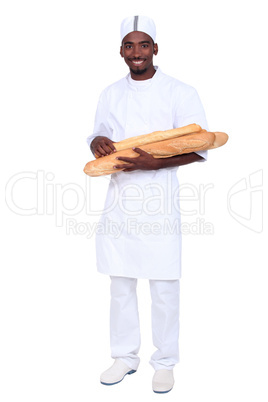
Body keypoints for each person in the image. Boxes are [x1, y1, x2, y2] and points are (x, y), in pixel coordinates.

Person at [87, 15, 208, 394]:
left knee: (164, 287)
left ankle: (165, 362)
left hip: (159, 200)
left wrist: (156, 162)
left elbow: (199, 143)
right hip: (120, 199)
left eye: (143, 45)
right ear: (120, 51)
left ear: (155, 48)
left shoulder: (180, 92)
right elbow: (98, 133)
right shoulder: (110, 92)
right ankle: (124, 357)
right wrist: (97, 142)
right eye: (129, 45)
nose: (136, 52)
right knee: (120, 284)